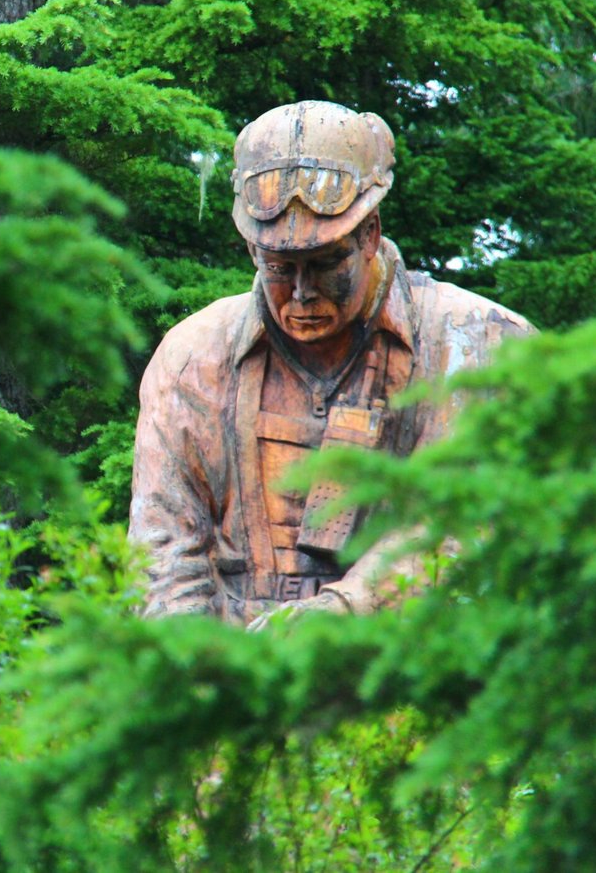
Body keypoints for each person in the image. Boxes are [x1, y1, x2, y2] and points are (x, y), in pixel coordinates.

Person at [129, 100, 531, 626]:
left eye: (324, 264)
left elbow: (465, 521)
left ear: (370, 234)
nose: (301, 292)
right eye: (279, 266)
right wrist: (198, 674)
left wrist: (340, 614)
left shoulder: (482, 346)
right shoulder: (191, 360)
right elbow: (163, 556)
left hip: (422, 670)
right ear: (252, 251)